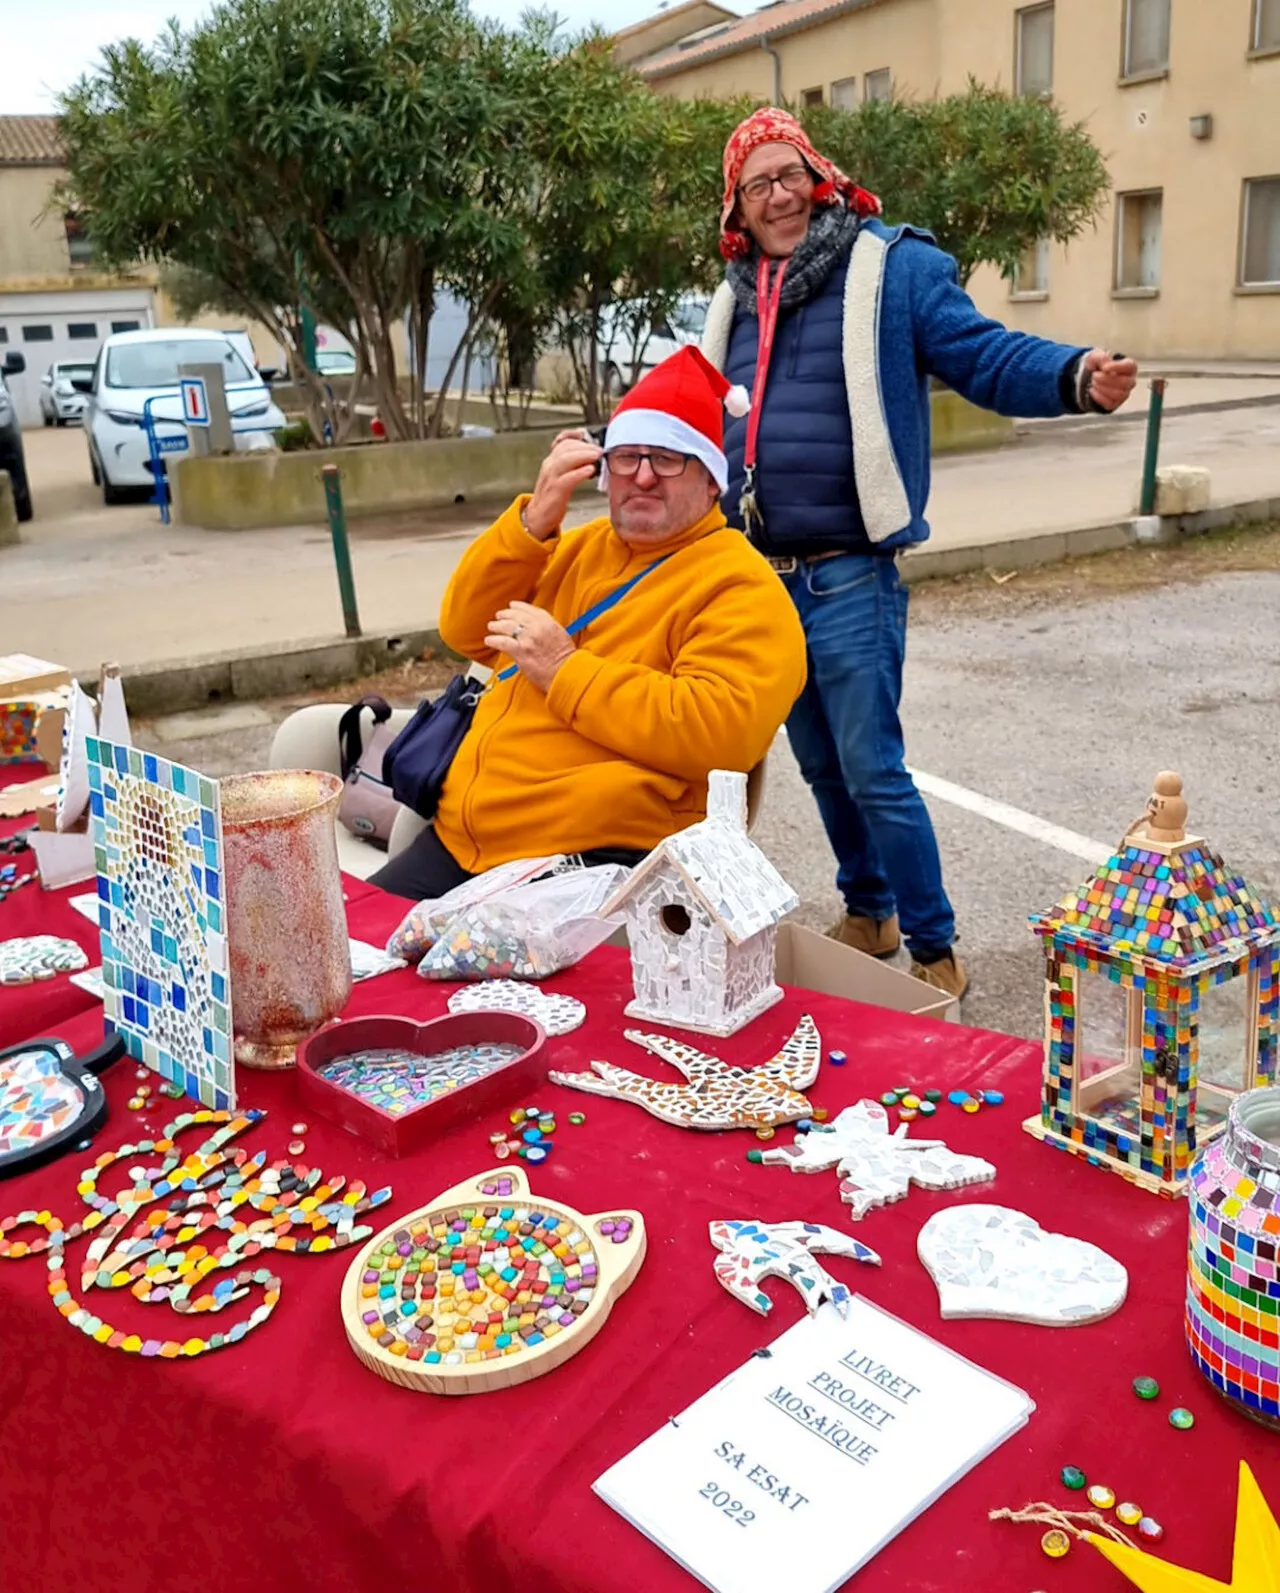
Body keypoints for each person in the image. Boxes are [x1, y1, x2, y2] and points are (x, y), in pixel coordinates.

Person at [702, 107, 1138, 1000]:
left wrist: (1072, 377)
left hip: (852, 571)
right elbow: (697, 413)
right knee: (819, 764)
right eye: (757, 184)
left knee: (872, 765)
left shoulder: (889, 266)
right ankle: (870, 910)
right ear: (737, 209)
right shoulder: (734, 299)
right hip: (764, 579)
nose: (778, 195)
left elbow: (980, 353)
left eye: (790, 174)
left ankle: (935, 945)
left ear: (818, 177)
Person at [371, 345, 807, 900]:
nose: (643, 477)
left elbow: (723, 733)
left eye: (668, 458)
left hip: (594, 862)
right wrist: (530, 526)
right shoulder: (572, 548)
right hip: (464, 844)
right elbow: (465, 629)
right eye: (628, 457)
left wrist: (565, 670)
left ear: (711, 483)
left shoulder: (740, 585)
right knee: (348, 952)